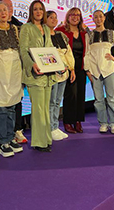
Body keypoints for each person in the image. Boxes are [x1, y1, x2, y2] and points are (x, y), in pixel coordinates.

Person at [0, 0, 27, 144]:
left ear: (9, 13)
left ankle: (11, 137)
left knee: (12, 106)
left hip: (14, 70)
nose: (3, 13)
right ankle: (3, 140)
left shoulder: (17, 29)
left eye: (5, 10)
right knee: (2, 107)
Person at [19, 0, 56, 152]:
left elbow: (49, 50)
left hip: (47, 75)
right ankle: (39, 142)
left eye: (41, 9)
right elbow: (23, 50)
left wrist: (57, 65)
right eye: (35, 9)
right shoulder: (26, 28)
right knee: (38, 109)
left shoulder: (46, 28)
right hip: (35, 74)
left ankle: (46, 139)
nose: (38, 11)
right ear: (31, 11)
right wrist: (31, 65)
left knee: (45, 108)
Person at [85, 10, 114, 134]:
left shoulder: (111, 33)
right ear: (93, 19)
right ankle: (103, 123)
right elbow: (87, 53)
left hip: (109, 69)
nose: (98, 19)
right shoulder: (90, 35)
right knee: (98, 99)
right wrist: (88, 70)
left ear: (104, 18)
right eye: (96, 17)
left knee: (112, 98)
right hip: (95, 71)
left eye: (100, 17)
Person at [56, 8, 87, 133]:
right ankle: (68, 121)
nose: (75, 17)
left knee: (80, 95)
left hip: (81, 68)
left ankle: (78, 121)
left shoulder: (84, 32)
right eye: (72, 15)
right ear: (68, 16)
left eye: (78, 15)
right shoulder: (60, 31)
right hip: (68, 68)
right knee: (71, 95)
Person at [45, 11, 75, 141]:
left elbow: (68, 53)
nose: (54, 19)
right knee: (51, 102)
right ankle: (50, 128)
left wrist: (71, 69)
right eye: (50, 17)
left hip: (64, 73)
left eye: (55, 17)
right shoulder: (43, 36)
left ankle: (55, 126)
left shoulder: (61, 35)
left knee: (57, 101)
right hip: (52, 74)